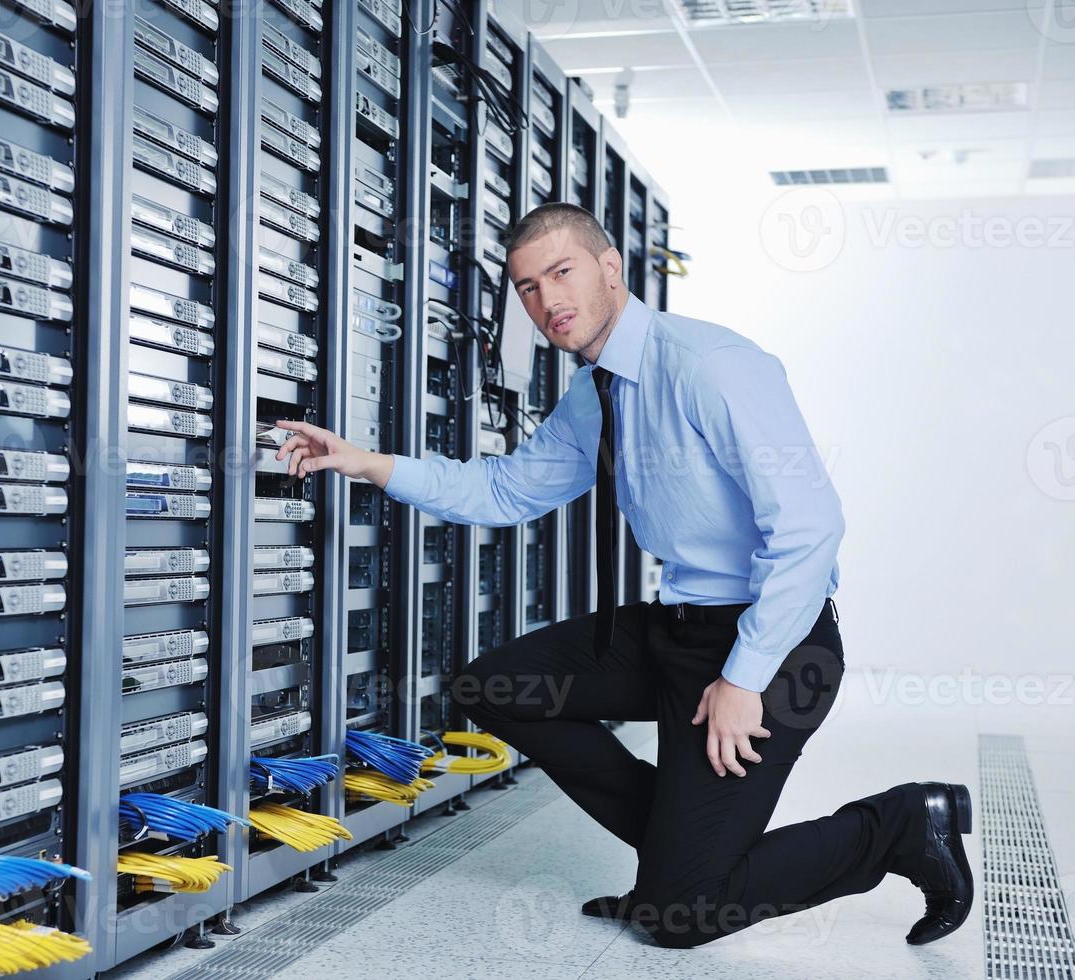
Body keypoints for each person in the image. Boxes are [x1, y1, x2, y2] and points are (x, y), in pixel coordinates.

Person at [273, 202, 973, 949]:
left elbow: (810, 526)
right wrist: (363, 461)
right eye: (528, 288)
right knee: (494, 687)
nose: (548, 302)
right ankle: (678, 857)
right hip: (673, 631)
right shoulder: (595, 392)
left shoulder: (712, 365)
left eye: (562, 272)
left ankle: (903, 825)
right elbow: (507, 490)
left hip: (774, 647)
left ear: (611, 268)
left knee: (685, 917)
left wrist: (743, 678)